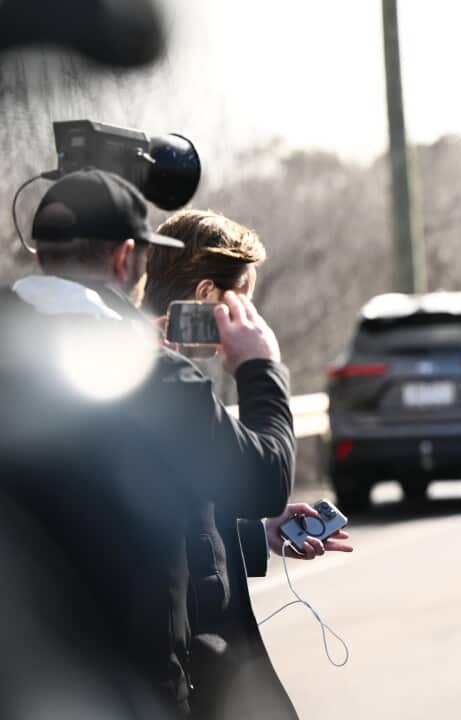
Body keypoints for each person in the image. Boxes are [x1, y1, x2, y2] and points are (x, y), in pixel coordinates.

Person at [0, 169, 295, 716]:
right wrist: (260, 369)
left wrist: (247, 531)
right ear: (124, 259)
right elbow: (265, 479)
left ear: (41, 254)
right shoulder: (152, 376)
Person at [144, 208, 354, 720]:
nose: (250, 320)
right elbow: (267, 480)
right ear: (204, 299)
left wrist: (259, 531)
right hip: (184, 674)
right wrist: (261, 367)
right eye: (241, 303)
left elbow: (170, 516)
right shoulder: (164, 380)